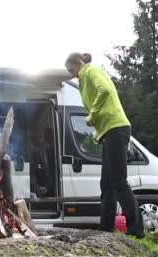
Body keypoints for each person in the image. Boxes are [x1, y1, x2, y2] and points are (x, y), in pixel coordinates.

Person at [65, 52, 144, 238]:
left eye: (71, 70)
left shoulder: (91, 71)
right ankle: (106, 227)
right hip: (108, 132)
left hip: (117, 128)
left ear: (79, 63)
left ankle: (137, 230)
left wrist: (92, 114)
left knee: (118, 181)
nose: (71, 74)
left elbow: (105, 91)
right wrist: (98, 132)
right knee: (106, 183)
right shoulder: (83, 78)